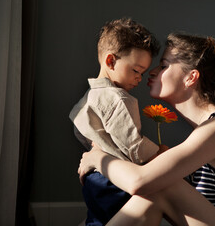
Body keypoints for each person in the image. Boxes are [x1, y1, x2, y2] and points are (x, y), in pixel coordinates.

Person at [78, 32, 215, 225]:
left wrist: (97, 157)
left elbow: (139, 182)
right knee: (162, 181)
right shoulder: (206, 133)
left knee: (161, 186)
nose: (151, 73)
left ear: (191, 77)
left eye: (163, 66)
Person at [69, 18, 164, 226]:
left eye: (143, 73)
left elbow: (80, 132)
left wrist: (99, 148)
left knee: (98, 219)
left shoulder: (87, 98)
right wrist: (159, 154)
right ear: (111, 61)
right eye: (136, 70)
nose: (139, 78)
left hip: (94, 177)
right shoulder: (119, 98)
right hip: (114, 179)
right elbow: (133, 147)